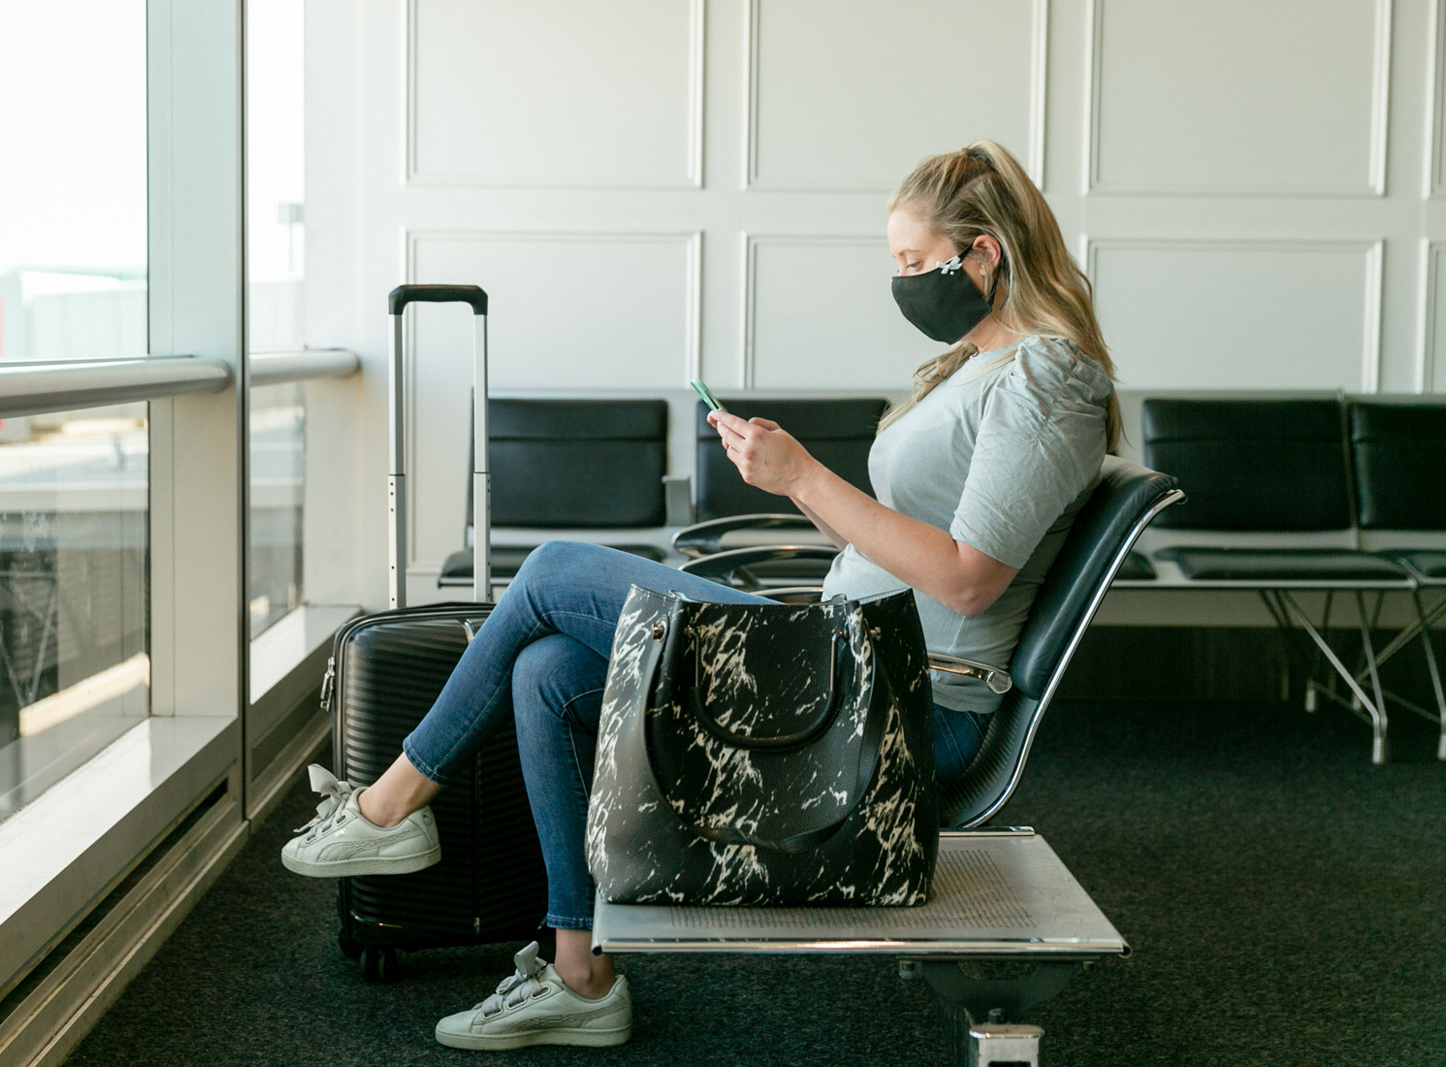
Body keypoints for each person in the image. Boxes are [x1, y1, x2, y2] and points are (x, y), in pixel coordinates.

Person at [279, 138, 1120, 1051]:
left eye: (916, 263)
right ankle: (579, 976)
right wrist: (786, 479)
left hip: (895, 700)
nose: (905, 283)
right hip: (839, 657)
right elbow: (908, 547)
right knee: (550, 670)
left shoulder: (1047, 376)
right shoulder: (981, 361)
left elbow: (968, 574)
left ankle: (387, 807)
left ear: (985, 253)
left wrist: (803, 478)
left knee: (555, 570)